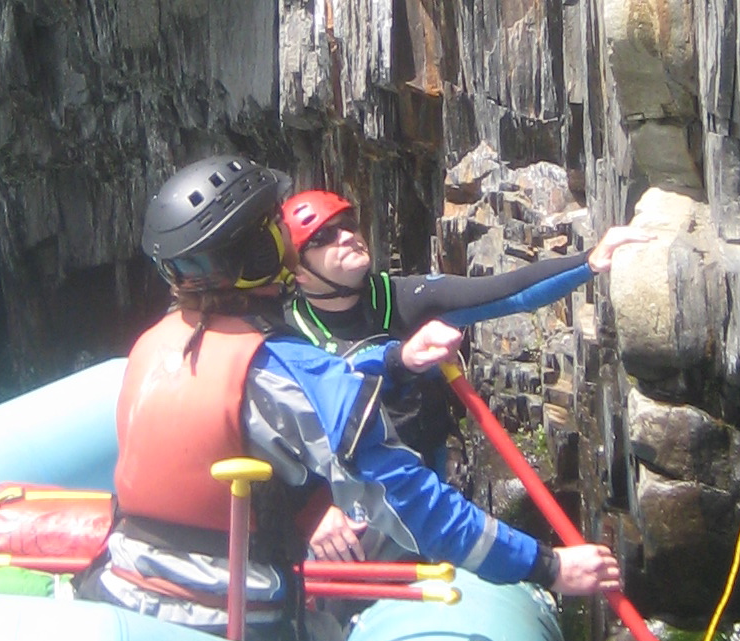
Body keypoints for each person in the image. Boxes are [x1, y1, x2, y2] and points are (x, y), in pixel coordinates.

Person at [96, 156, 619, 641]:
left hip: (122, 593)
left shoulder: (153, 345)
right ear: (266, 256)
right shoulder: (293, 366)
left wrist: (395, 361)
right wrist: (547, 566)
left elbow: (315, 387)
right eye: (293, 235)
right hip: (238, 621)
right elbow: (414, 501)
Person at [269, 187, 650, 512]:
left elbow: (508, 293)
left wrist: (590, 261)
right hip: (344, 486)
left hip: (425, 470)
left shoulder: (401, 298)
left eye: (347, 225)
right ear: (299, 272)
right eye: (323, 238)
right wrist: (316, 513)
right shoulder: (285, 333)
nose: (347, 237)